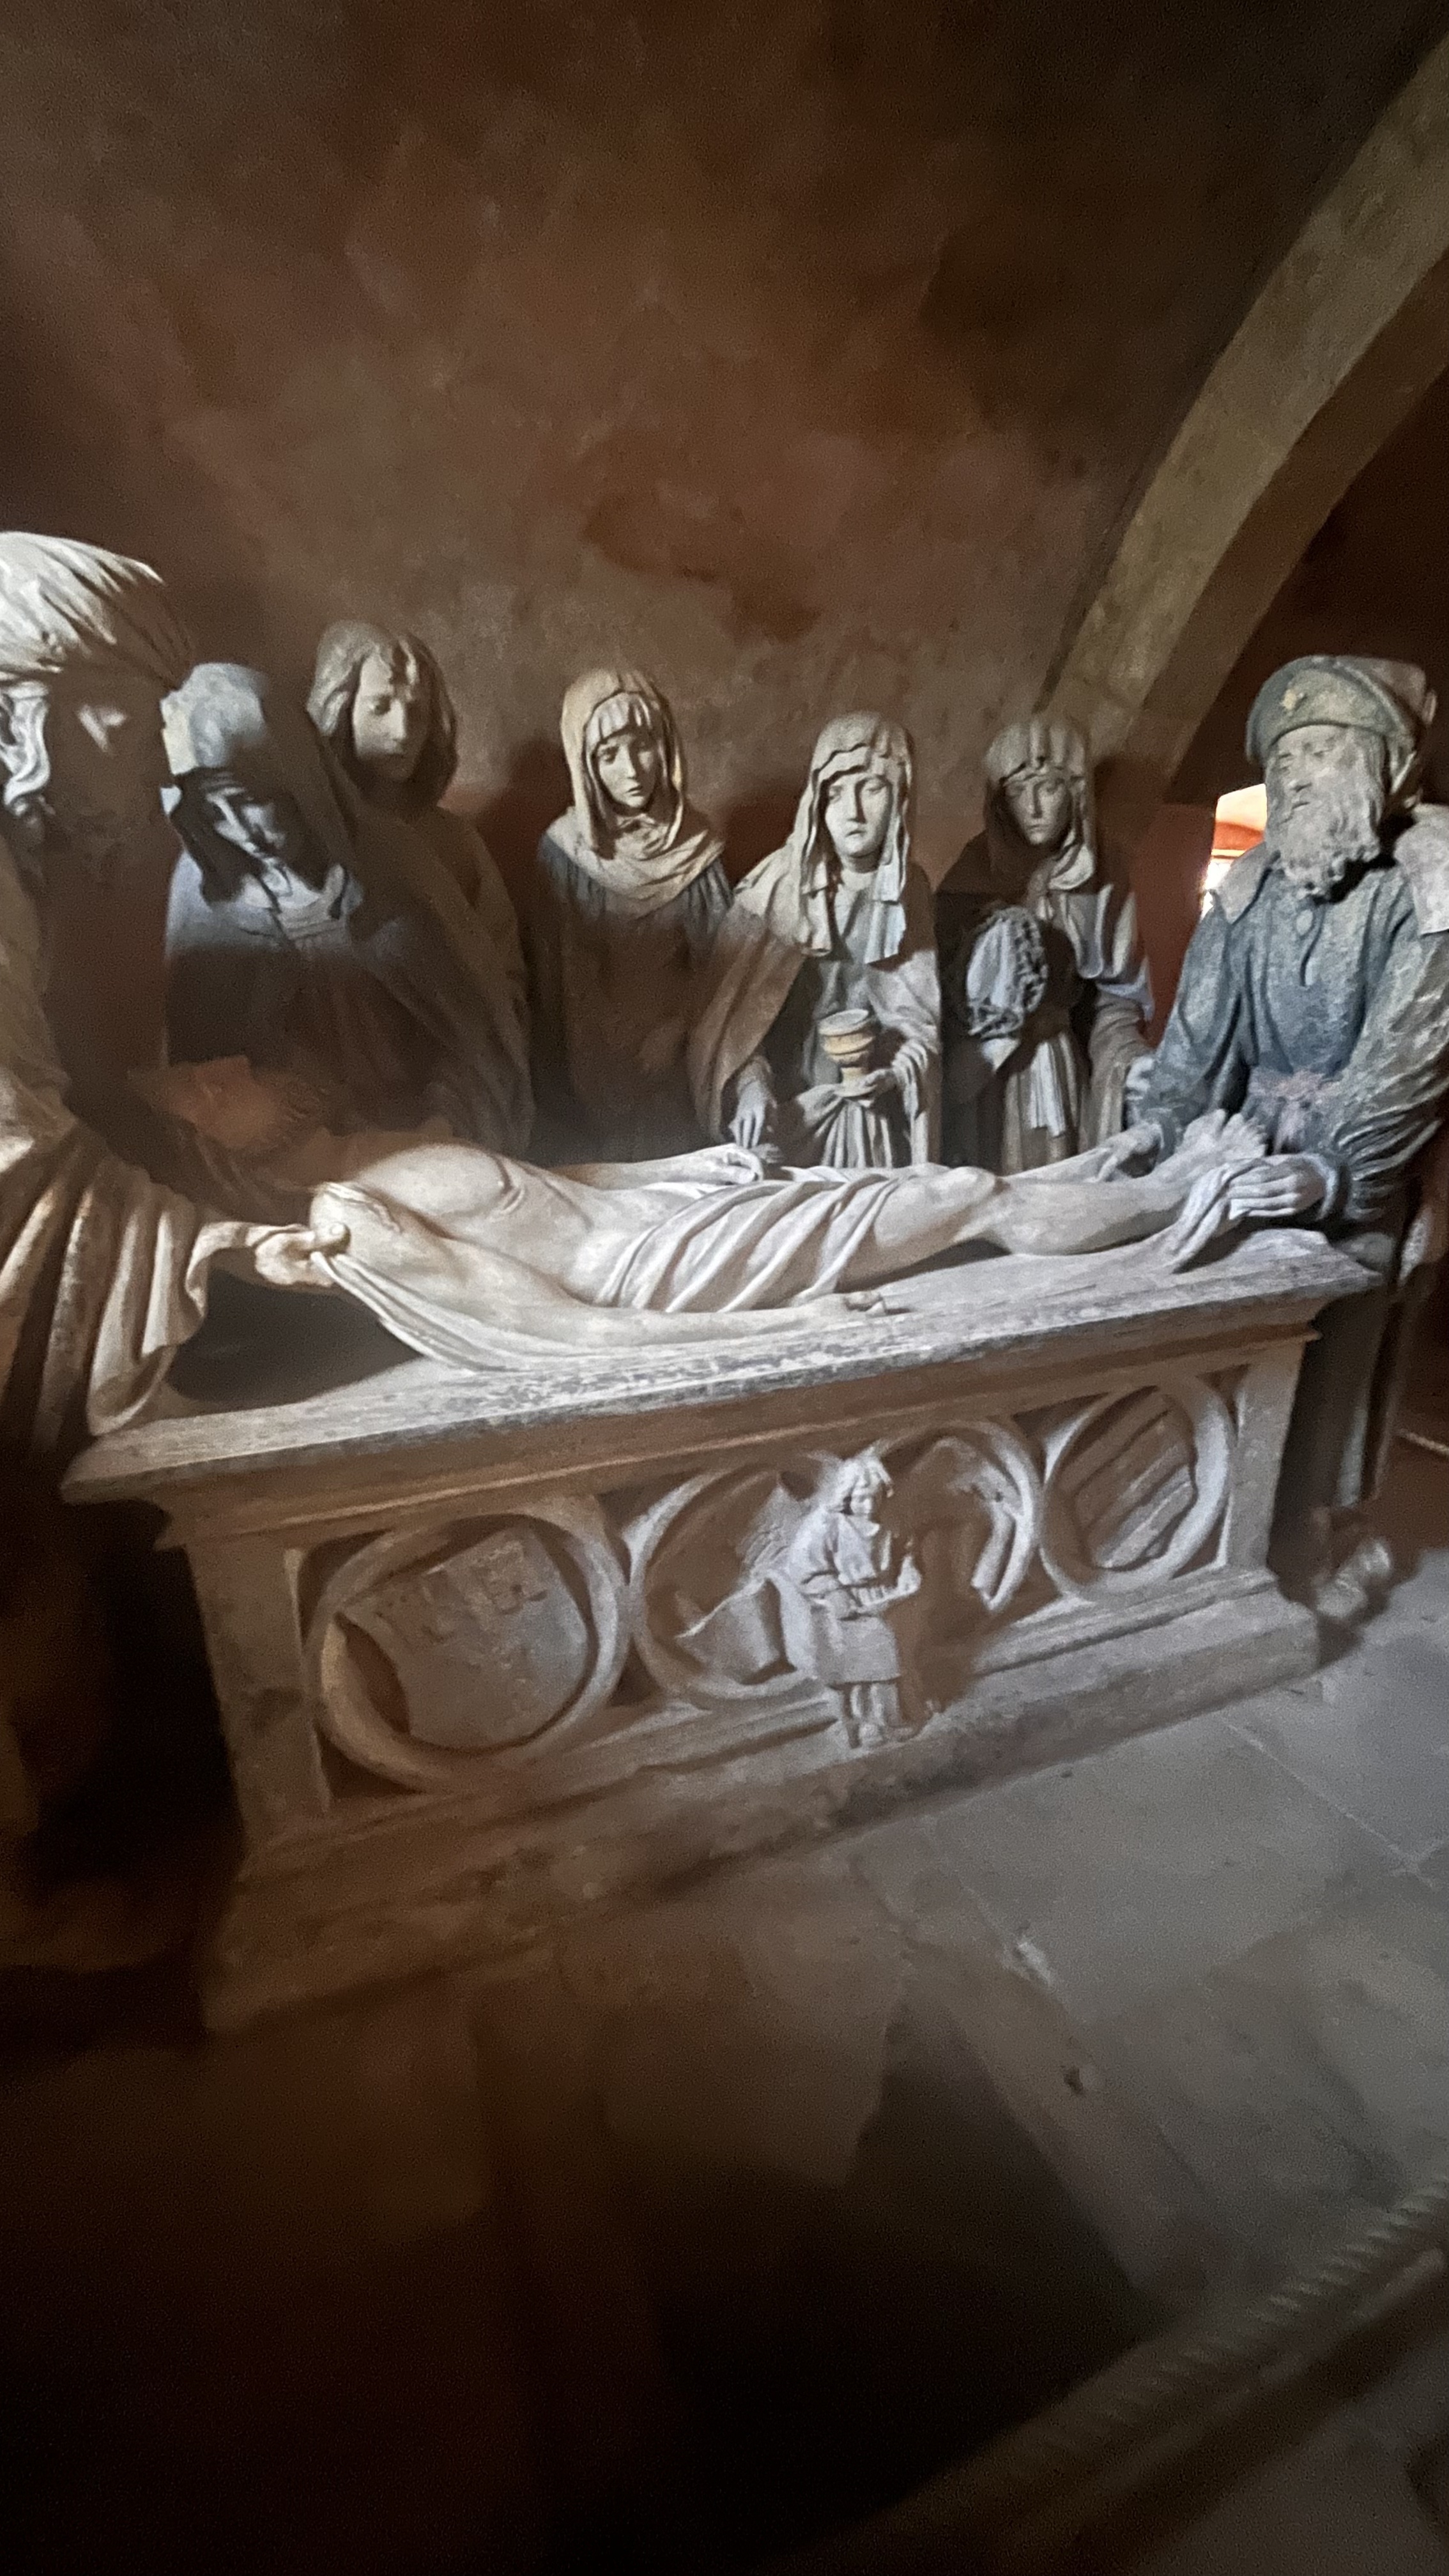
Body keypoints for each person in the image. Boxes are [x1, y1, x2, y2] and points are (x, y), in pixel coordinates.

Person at [1133, 654, 1449, 1614]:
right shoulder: (1253, 884)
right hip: (1244, 1153)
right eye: (1283, 760)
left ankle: (1321, 1530)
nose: (1296, 777)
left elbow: (1410, 1061)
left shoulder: (1429, 880)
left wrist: (1329, 1173)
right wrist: (1160, 1132)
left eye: (1321, 751)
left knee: (1334, 1366)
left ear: (1384, 765)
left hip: (1361, 1169)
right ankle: (1201, 1532)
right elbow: (1197, 1037)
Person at [222, 1110, 1271, 1371]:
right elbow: (569, 1328)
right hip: (666, 1270)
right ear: (227, 1147)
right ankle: (1176, 1193)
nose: (229, 1067)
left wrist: (674, 1165)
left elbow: (561, 1187)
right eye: (207, 1087)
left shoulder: (370, 1157)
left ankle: (1101, 1176)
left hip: (666, 1217)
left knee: (914, 1189)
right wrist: (786, 1326)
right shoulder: (352, 1226)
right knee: (963, 1201)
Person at [164, 663, 532, 1169]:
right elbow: (209, 1084)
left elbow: (474, 1039)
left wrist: (440, 1130)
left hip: (425, 1138)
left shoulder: (389, 868)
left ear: (298, 780)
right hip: (294, 1160)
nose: (241, 829)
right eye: (213, 814)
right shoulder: (206, 897)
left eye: (251, 801)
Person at [691, 714, 940, 1168]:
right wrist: (751, 1086)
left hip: (871, 1102)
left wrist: (893, 1073)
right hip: (788, 1105)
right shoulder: (776, 889)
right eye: (836, 793)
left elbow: (918, 1023)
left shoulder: (909, 891)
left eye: (872, 788)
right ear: (817, 802)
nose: (854, 812)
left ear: (901, 796)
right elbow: (730, 1027)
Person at [521, 666, 730, 1162]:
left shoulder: (697, 848)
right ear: (585, 765)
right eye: (609, 755)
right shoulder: (565, 852)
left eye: (642, 746)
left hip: (676, 1058)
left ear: (666, 747)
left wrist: (681, 1027)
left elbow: (725, 966)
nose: (632, 770)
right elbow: (551, 980)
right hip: (590, 1060)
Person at [936, 716, 1151, 1170]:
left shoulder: (1104, 873)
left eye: (1049, 788)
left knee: (1055, 1180)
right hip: (985, 1071)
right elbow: (936, 984)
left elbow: (1117, 996)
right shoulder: (973, 871)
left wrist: (1127, 1057)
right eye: (1018, 791)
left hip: (1054, 1064)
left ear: (1077, 794)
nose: (1033, 807)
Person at [306, 618, 527, 1037]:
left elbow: (505, 975)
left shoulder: (456, 843)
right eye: (380, 707)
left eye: (418, 712)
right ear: (340, 708)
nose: (403, 731)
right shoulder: (310, 840)